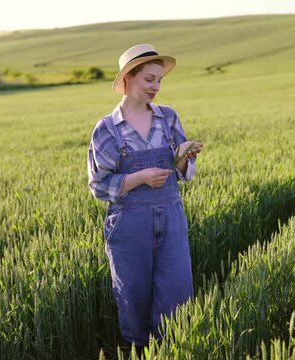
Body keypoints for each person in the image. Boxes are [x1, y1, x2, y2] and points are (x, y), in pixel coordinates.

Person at [87, 44, 203, 351]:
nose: (156, 87)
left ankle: (172, 351)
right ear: (127, 79)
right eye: (149, 79)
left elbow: (182, 171)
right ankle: (139, 351)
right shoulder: (108, 130)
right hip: (129, 225)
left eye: (160, 80)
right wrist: (139, 178)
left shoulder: (168, 118)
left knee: (176, 294)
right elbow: (98, 185)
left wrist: (183, 156)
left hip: (172, 218)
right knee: (133, 297)